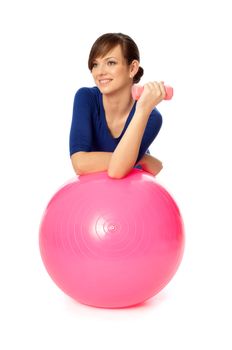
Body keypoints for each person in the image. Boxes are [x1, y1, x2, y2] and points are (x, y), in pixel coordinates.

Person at [69, 32, 166, 179]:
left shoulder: (151, 116)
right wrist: (143, 160)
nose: (100, 72)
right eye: (95, 64)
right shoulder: (85, 98)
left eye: (111, 62)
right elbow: (79, 163)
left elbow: (117, 171)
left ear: (133, 68)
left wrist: (143, 110)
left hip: (133, 196)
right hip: (93, 196)